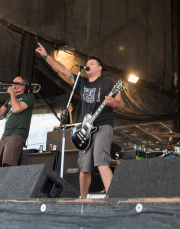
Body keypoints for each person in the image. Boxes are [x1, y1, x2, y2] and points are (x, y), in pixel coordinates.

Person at [35, 43, 124, 199]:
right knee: (84, 167)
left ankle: (113, 198)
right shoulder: (81, 82)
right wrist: (45, 55)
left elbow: (120, 103)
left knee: (101, 160)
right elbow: (62, 70)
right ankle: (82, 200)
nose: (87, 65)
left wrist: (113, 104)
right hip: (86, 129)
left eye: (91, 63)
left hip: (103, 125)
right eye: (87, 63)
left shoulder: (108, 82)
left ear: (99, 68)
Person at [0, 76, 35, 167]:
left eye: (16, 82)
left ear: (23, 86)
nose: (13, 84)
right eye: (13, 82)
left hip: (17, 133)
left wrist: (12, 94)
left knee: (8, 164)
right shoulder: (10, 100)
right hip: (6, 134)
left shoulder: (28, 97)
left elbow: (16, 109)